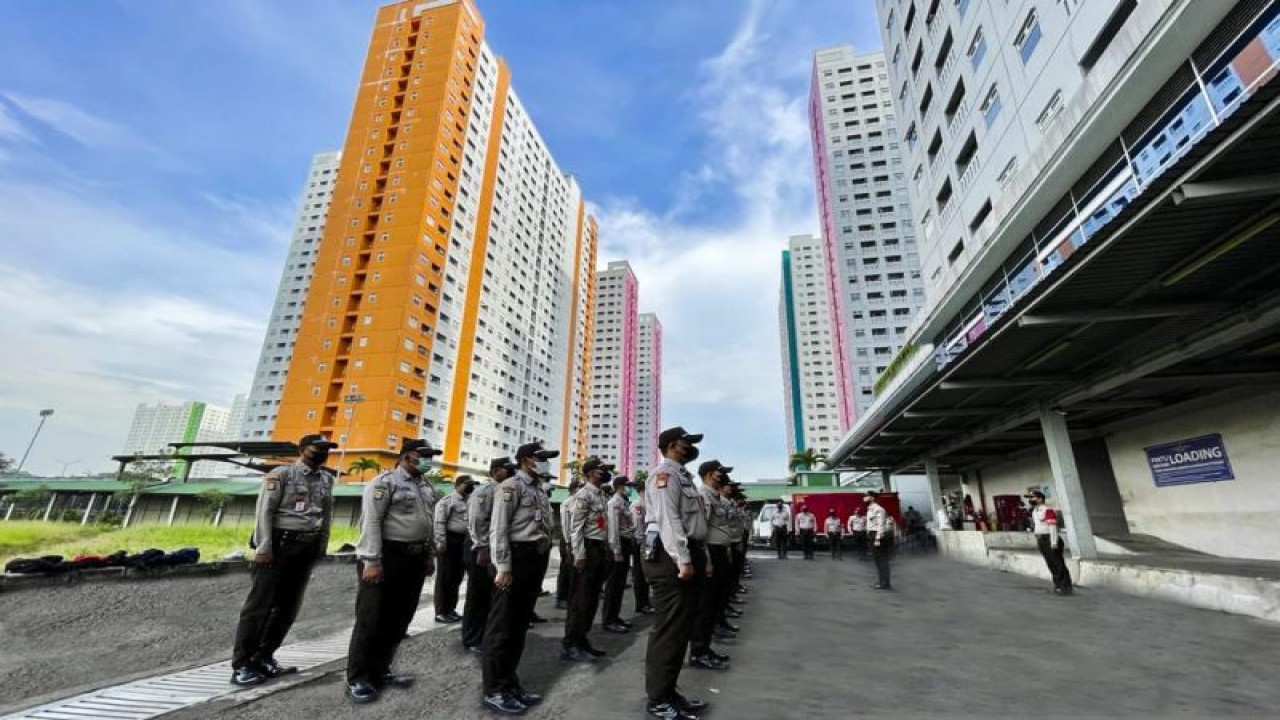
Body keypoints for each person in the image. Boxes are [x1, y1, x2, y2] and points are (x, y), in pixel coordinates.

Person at [231, 433, 336, 687]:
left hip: (306, 547)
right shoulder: (282, 474)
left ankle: (265, 657)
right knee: (260, 606)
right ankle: (243, 665)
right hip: (279, 544)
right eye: (316, 448)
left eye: (326, 449)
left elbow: (326, 513)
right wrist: (264, 547)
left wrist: (321, 544)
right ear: (302, 449)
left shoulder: (327, 479)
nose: (322, 453)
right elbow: (264, 511)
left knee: (288, 607)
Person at [345, 438, 442, 703]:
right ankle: (359, 678)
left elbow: (429, 522)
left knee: (400, 618)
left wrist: (429, 554)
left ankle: (380, 670)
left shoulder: (425, 486)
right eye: (424, 455)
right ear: (407, 456)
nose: (428, 460)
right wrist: (372, 561)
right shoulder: (385, 482)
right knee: (372, 618)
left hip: (414, 558)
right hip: (387, 557)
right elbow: (372, 522)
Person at [481, 441, 557, 715]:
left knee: (518, 626)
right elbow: (498, 529)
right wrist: (502, 566)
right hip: (515, 558)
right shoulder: (510, 487)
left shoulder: (538, 488)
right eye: (541, 458)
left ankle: (510, 683)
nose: (546, 462)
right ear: (526, 460)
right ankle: (495, 689)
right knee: (502, 627)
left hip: (532, 560)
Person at [643, 426, 710, 720]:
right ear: (672, 445)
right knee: (669, 629)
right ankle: (658, 699)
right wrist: (683, 559)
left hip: (684, 551)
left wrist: (701, 556)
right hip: (669, 556)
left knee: (680, 628)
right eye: (687, 444)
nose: (690, 448)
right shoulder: (664, 475)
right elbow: (668, 519)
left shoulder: (683, 476)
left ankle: (669, 692)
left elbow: (695, 523)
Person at [561, 458, 614, 662]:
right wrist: (579, 555)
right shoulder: (583, 495)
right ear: (590, 473)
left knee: (591, 599)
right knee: (579, 600)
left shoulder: (600, 495)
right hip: (588, 549)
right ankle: (570, 644)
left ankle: (582, 640)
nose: (605, 473)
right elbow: (576, 529)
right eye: (601, 471)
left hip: (599, 548)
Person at [463, 458, 514, 654]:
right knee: (478, 594)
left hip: (494, 547)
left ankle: (487, 634)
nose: (509, 473)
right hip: (480, 547)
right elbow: (477, 520)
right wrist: (482, 548)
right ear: (495, 471)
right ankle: (472, 639)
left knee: (493, 594)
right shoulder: (485, 491)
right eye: (505, 469)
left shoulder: (506, 489)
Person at [689, 460, 734, 671]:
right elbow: (702, 532)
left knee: (715, 603)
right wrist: (706, 560)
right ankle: (698, 652)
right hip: (710, 555)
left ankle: (705, 649)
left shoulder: (715, 496)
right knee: (705, 605)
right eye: (719, 473)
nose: (721, 476)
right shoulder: (704, 496)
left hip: (719, 553)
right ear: (708, 474)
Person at [434, 475, 474, 623]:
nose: (470, 487)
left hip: (463, 542)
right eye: (467, 484)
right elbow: (439, 522)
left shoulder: (471, 500)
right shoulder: (447, 501)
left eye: (471, 484)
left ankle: (451, 609)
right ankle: (441, 611)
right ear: (458, 484)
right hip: (449, 541)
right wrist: (441, 542)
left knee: (457, 577)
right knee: (445, 577)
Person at [602, 474, 637, 633]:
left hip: (626, 542)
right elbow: (613, 529)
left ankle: (615, 616)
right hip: (619, 545)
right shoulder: (614, 503)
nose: (630, 489)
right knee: (613, 585)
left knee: (620, 585)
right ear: (620, 487)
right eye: (628, 486)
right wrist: (616, 550)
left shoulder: (624, 502)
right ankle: (609, 620)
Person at [1027, 490, 1073, 595]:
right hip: (1041, 539)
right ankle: (1058, 586)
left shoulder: (1047, 510)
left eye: (1032, 497)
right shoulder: (1035, 511)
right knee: (1051, 563)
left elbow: (1052, 526)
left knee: (1058, 563)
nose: (1030, 500)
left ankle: (1065, 587)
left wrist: (1053, 542)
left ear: (1040, 499)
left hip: (1049, 539)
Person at [630, 477, 655, 615]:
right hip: (641, 542)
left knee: (646, 574)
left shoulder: (648, 504)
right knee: (640, 574)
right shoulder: (638, 505)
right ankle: (641, 604)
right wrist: (642, 543)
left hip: (647, 542)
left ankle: (645, 602)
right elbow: (638, 525)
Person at [555, 480, 582, 611]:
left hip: (577, 540)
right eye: (579, 488)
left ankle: (571, 596)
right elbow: (565, 524)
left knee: (575, 571)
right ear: (574, 489)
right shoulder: (567, 503)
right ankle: (561, 598)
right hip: (568, 540)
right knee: (566, 570)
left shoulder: (579, 502)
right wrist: (567, 542)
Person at [865, 491, 893, 590]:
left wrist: (877, 538)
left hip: (877, 536)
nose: (864, 498)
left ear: (872, 498)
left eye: (866, 496)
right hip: (871, 535)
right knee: (877, 560)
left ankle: (885, 583)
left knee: (882, 560)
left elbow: (881, 525)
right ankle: (881, 582)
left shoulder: (879, 509)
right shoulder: (870, 509)